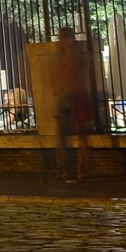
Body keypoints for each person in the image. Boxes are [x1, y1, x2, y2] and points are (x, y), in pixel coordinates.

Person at [53, 27, 99, 182]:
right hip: (65, 98)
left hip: (78, 96)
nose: (62, 40)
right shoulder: (59, 57)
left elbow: (81, 76)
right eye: (61, 37)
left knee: (81, 134)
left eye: (65, 37)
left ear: (72, 39)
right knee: (61, 135)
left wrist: (65, 90)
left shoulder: (80, 56)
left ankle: (81, 169)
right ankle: (63, 169)